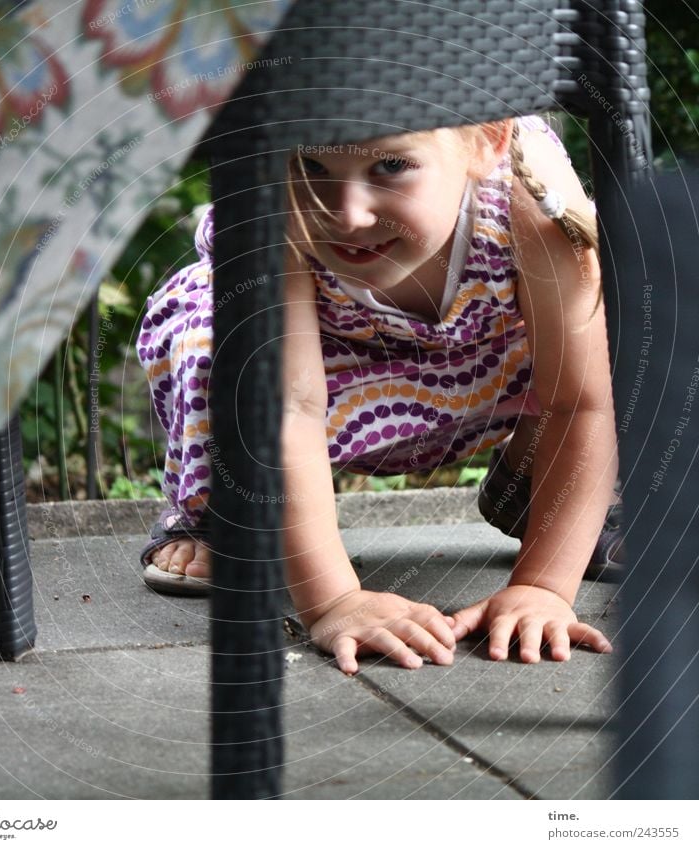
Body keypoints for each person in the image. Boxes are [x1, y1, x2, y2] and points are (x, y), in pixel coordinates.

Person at [136, 114, 621, 673]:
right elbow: (288, 408)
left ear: (487, 141)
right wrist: (336, 601)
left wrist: (544, 587)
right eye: (313, 165)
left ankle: (532, 483)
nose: (347, 214)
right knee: (221, 337)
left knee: (615, 318)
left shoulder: (532, 193)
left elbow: (581, 400)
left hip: (479, 361)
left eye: (391, 165)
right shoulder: (278, 208)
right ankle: (222, 517)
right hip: (328, 370)